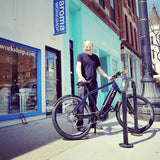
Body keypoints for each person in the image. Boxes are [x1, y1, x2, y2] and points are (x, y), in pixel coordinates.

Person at [76, 40, 111, 131]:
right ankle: (79, 125)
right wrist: (80, 76)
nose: (87, 48)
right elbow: (78, 67)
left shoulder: (95, 57)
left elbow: (99, 69)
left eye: (89, 46)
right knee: (81, 103)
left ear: (92, 47)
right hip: (83, 83)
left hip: (93, 83)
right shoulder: (80, 56)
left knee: (93, 104)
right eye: (86, 46)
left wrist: (106, 76)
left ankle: (93, 124)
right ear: (83, 47)